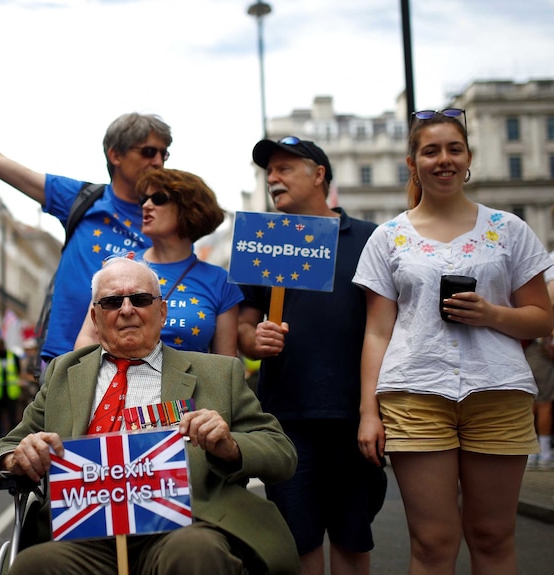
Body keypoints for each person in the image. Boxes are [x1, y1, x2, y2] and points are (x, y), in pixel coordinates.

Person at [0, 257, 300, 575]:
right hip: (83, 537)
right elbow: (5, 449)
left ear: (162, 312)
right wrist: (16, 457)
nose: (127, 309)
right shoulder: (64, 373)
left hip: (183, 529)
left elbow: (281, 452)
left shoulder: (217, 372)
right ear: (95, 315)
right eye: (112, 301)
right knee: (34, 565)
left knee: (194, 553)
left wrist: (230, 446)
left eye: (141, 299)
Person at [354, 109, 554, 574]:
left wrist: (492, 313)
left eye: (453, 149)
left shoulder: (508, 229)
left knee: (492, 536)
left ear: (468, 159)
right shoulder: (388, 237)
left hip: (497, 392)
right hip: (414, 395)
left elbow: (542, 319)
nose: (443, 159)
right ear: (413, 163)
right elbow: (377, 331)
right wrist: (368, 412)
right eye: (431, 150)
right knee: (432, 542)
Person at [0, 104, 172, 364]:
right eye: (149, 152)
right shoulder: (81, 199)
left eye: (164, 153)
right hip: (67, 358)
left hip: (141, 362)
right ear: (116, 155)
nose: (158, 161)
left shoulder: (169, 216)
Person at [237, 137, 386, 574]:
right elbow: (244, 326)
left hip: (354, 414)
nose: (272, 178)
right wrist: (254, 339)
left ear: (319, 174)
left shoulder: (369, 239)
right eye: (268, 172)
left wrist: (371, 409)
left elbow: (386, 327)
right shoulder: (263, 240)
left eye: (284, 168)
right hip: (285, 421)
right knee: (296, 540)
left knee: (352, 537)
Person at [75, 168, 241, 356]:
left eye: (159, 198)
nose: (146, 205)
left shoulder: (220, 281)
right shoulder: (121, 265)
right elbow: (88, 337)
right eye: (143, 199)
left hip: (190, 384)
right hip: (122, 382)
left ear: (189, 208)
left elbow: (225, 364)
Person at [525, 252, 554, 470]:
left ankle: (535, 450)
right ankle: (541, 452)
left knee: (537, 401)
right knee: (543, 402)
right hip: (542, 348)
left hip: (535, 346)